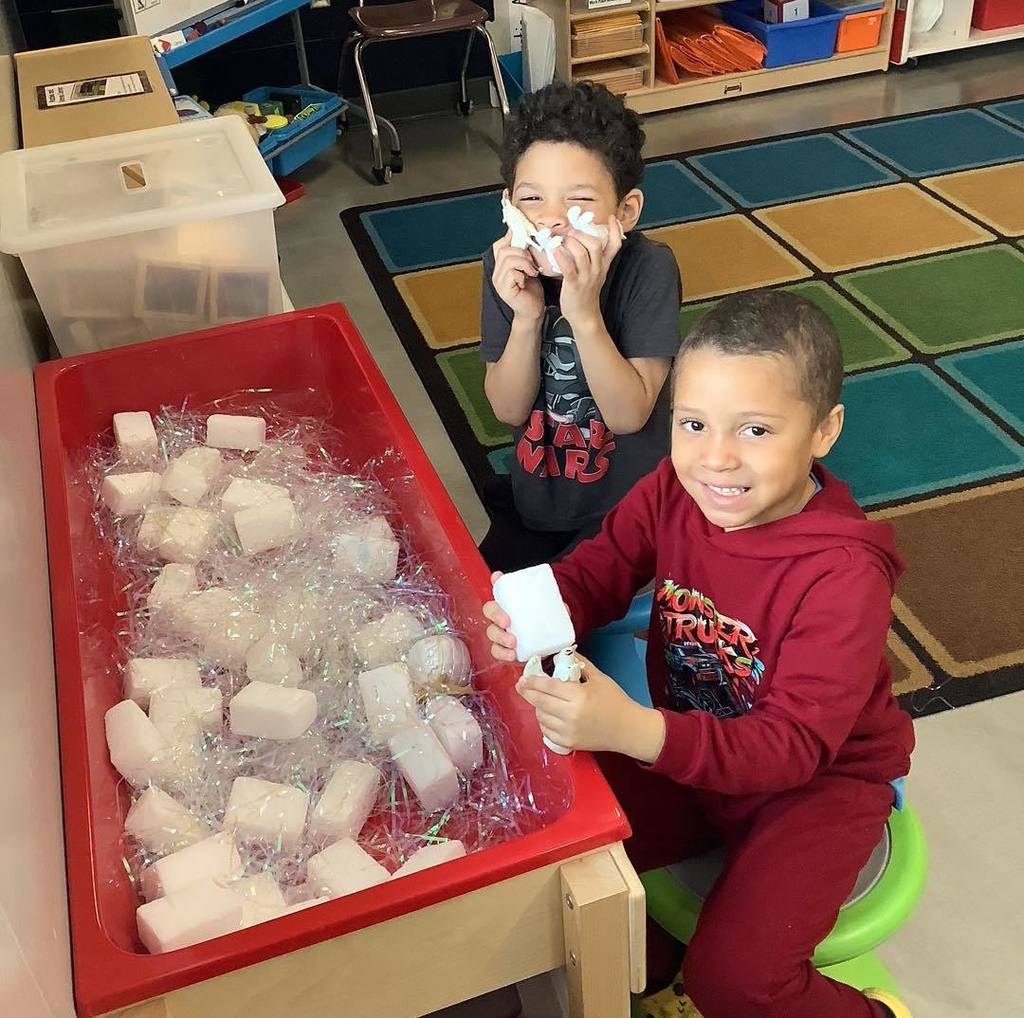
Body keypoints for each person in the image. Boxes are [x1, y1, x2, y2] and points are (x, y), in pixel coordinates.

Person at [484, 290, 916, 1018]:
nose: (716, 458)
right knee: (562, 836)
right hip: (696, 754)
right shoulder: (675, 490)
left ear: (824, 430)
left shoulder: (845, 575)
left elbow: (793, 747)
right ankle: (661, 966)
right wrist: (534, 612)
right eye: (692, 424)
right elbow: (597, 572)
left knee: (734, 984)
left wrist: (634, 730)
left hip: (818, 789)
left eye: (755, 429)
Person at [479, 80, 682, 573]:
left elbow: (629, 414)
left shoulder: (648, 269)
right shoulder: (505, 268)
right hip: (540, 496)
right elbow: (507, 409)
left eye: (579, 201)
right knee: (481, 594)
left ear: (624, 212)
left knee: (577, 604)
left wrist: (584, 312)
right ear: (508, 205)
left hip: (629, 510)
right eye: (531, 198)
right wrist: (528, 318)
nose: (550, 220)